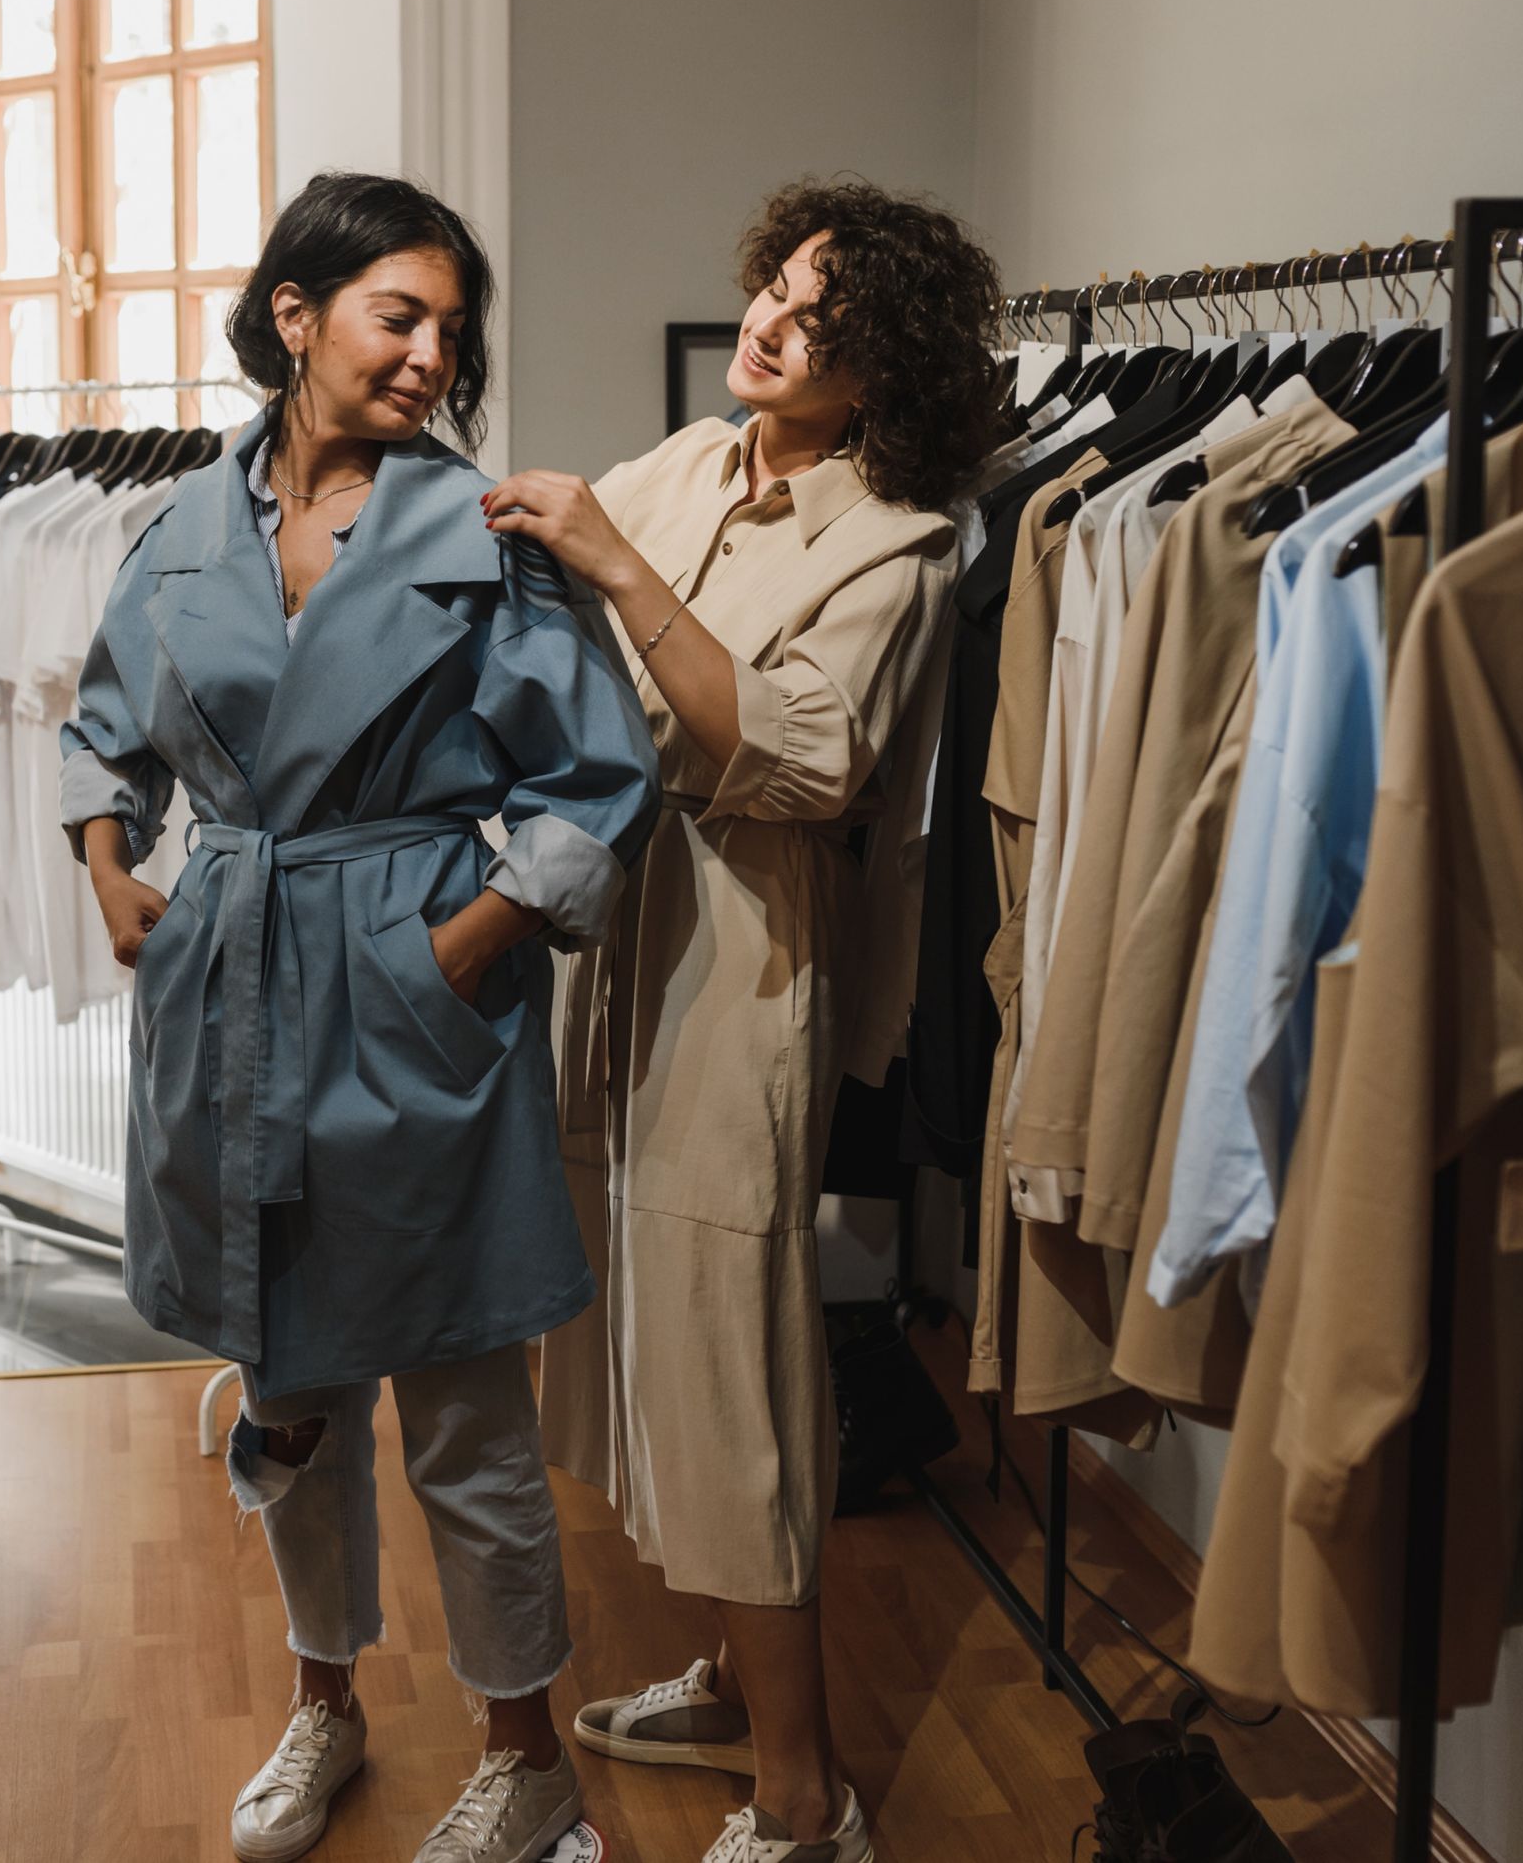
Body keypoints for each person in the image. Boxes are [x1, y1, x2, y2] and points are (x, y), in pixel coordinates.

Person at [59, 170, 661, 1863]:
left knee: (467, 1408)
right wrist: (115, 872)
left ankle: (526, 1752)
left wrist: (461, 942)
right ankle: (322, 1709)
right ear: (295, 314)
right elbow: (101, 724)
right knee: (290, 1377)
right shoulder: (180, 524)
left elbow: (597, 783)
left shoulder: (477, 535)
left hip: (409, 985)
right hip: (233, 985)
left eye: (449, 329)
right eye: (399, 314)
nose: (428, 354)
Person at [485, 181, 1001, 1863]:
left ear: (884, 375)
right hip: (617, 948)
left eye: (821, 319)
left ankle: (805, 1795)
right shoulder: (700, 464)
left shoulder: (902, 544)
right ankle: (724, 1668)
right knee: (639, 1333)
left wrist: (614, 565)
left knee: (736, 1370)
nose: (771, 322)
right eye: (775, 286)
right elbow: (544, 590)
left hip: (744, 971)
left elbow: (800, 753)